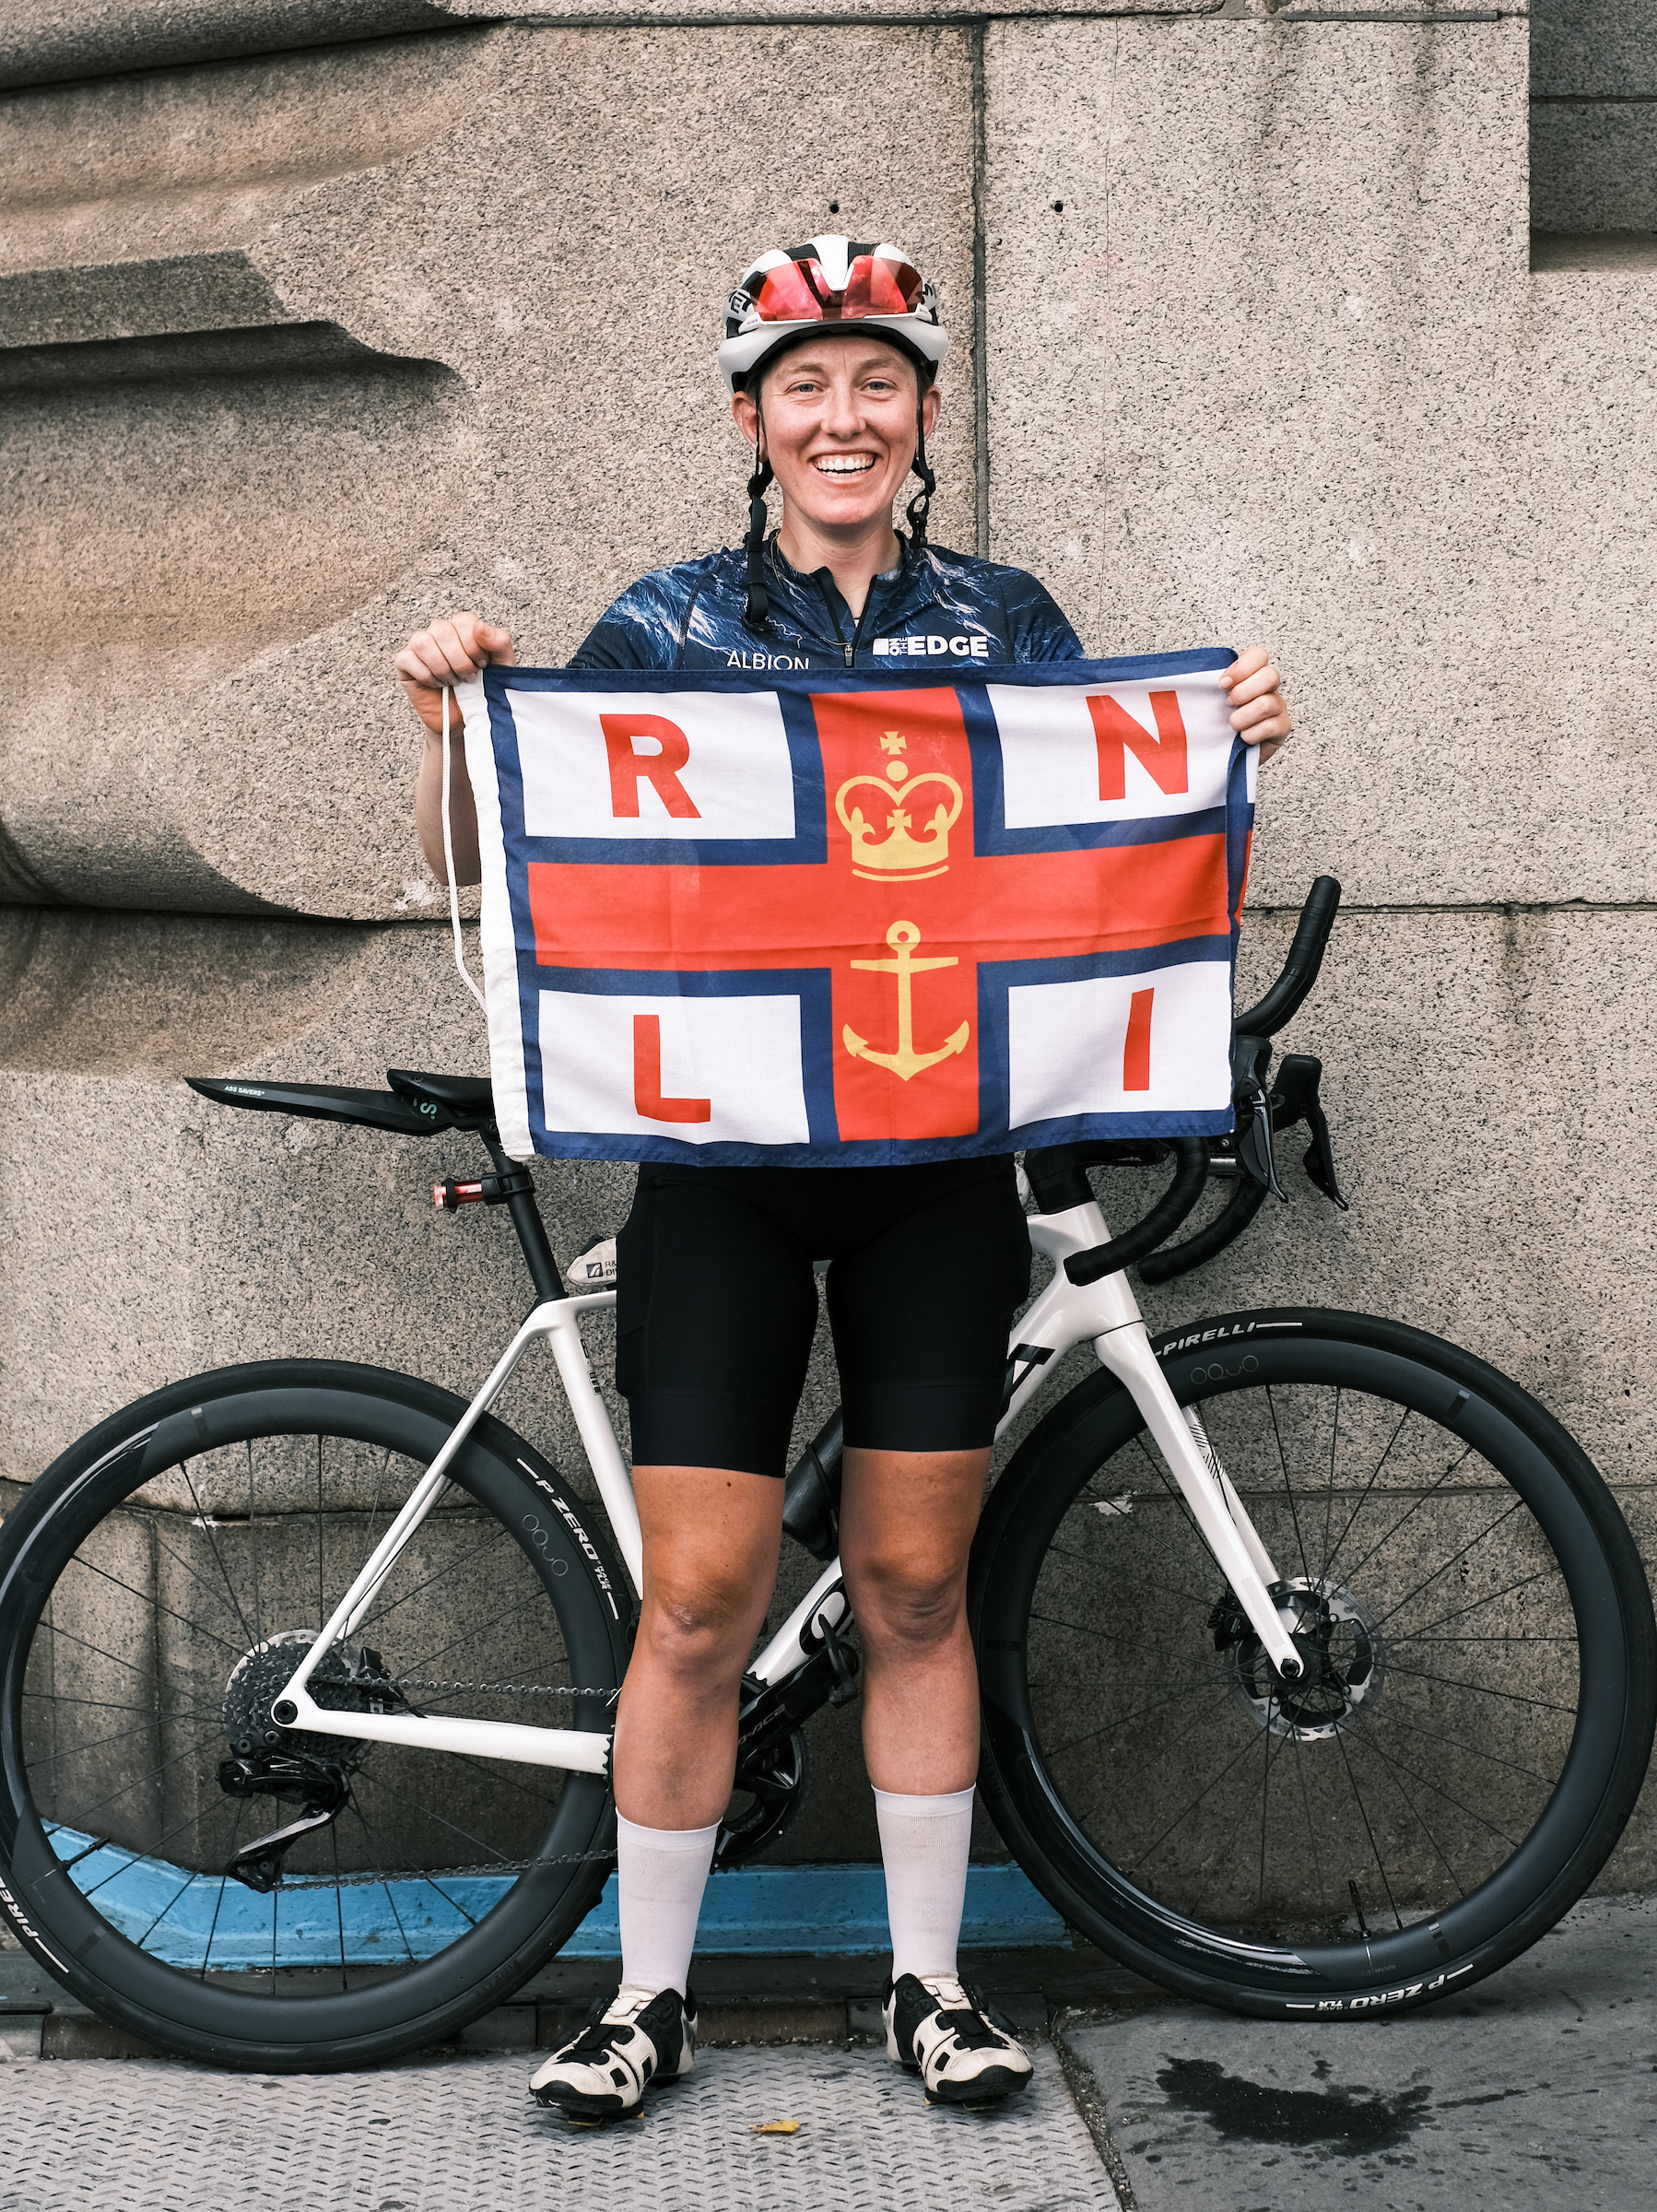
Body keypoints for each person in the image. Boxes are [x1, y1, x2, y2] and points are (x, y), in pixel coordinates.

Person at [395, 236, 1293, 2121]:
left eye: (877, 381)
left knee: (908, 1580)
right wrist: (449, 741)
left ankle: (930, 1987)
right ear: (751, 417)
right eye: (805, 384)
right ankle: (645, 2000)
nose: (844, 415)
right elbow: (517, 855)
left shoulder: (1010, 622)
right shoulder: (663, 625)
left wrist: (1230, 760)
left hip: (939, 1165)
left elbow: (1098, 855)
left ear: (926, 413)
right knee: (705, 1601)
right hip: (725, 1173)